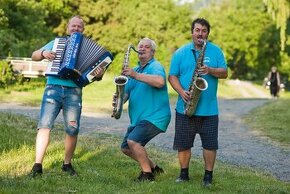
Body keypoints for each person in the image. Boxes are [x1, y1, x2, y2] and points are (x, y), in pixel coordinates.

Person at [29, 15, 105, 177]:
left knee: (72, 129)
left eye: (79, 27)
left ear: (83, 30)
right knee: (44, 125)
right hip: (53, 89)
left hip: (74, 92)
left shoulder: (89, 48)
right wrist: (44, 53)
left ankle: (67, 164)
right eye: (73, 26)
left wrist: (99, 74)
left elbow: (94, 77)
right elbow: (34, 55)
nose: (76, 29)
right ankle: (37, 165)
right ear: (68, 28)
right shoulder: (57, 43)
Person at [168, 18, 228, 186]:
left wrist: (210, 70)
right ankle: (183, 174)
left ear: (207, 33)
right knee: (183, 143)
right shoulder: (180, 52)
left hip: (209, 109)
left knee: (210, 144)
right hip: (185, 106)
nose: (200, 33)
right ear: (192, 32)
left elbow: (224, 73)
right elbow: (172, 76)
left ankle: (208, 177)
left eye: (203, 30)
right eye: (197, 30)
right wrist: (181, 92)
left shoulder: (216, 51)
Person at [119, 37, 171, 182]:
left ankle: (147, 175)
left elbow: (160, 82)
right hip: (139, 118)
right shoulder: (134, 70)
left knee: (134, 142)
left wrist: (135, 75)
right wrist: (118, 101)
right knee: (126, 148)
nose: (141, 48)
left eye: (146, 47)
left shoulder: (156, 66)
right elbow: (127, 94)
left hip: (155, 116)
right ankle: (154, 168)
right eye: (140, 46)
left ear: (153, 52)